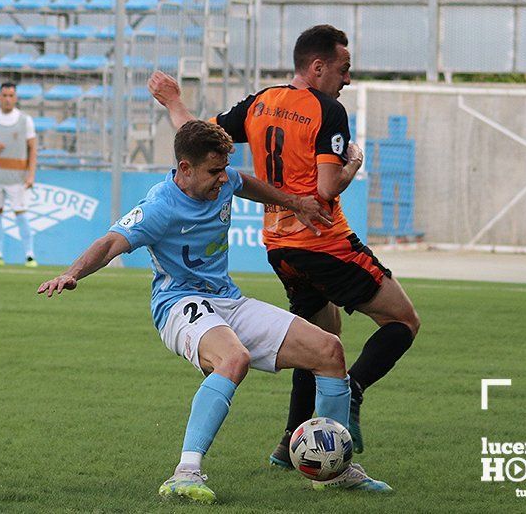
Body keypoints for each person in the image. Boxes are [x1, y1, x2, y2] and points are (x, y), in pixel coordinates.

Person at [38, 120, 391, 503]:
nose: (223, 178)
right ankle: (185, 473)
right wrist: (72, 273)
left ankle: (334, 471)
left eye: (224, 168)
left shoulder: (223, 181)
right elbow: (110, 243)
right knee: (234, 358)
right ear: (185, 169)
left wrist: (294, 203)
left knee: (329, 350)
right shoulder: (159, 207)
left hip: (227, 300)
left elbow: (246, 183)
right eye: (214, 171)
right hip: (178, 304)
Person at [148, 24, 420, 466]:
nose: (347, 79)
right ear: (318, 67)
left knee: (319, 343)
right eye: (343, 69)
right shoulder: (328, 110)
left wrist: (173, 101)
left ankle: (288, 443)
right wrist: (354, 163)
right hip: (325, 241)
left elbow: (196, 136)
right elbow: (327, 188)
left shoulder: (261, 102)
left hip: (280, 246)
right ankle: (353, 391)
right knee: (403, 320)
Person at [0, 82, 38, 267]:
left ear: (16, 98)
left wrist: (31, 175)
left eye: (11, 95)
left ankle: (29, 254)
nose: (8, 99)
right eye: (5, 95)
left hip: (17, 178)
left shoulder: (25, 120)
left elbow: (33, 149)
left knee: (21, 213)